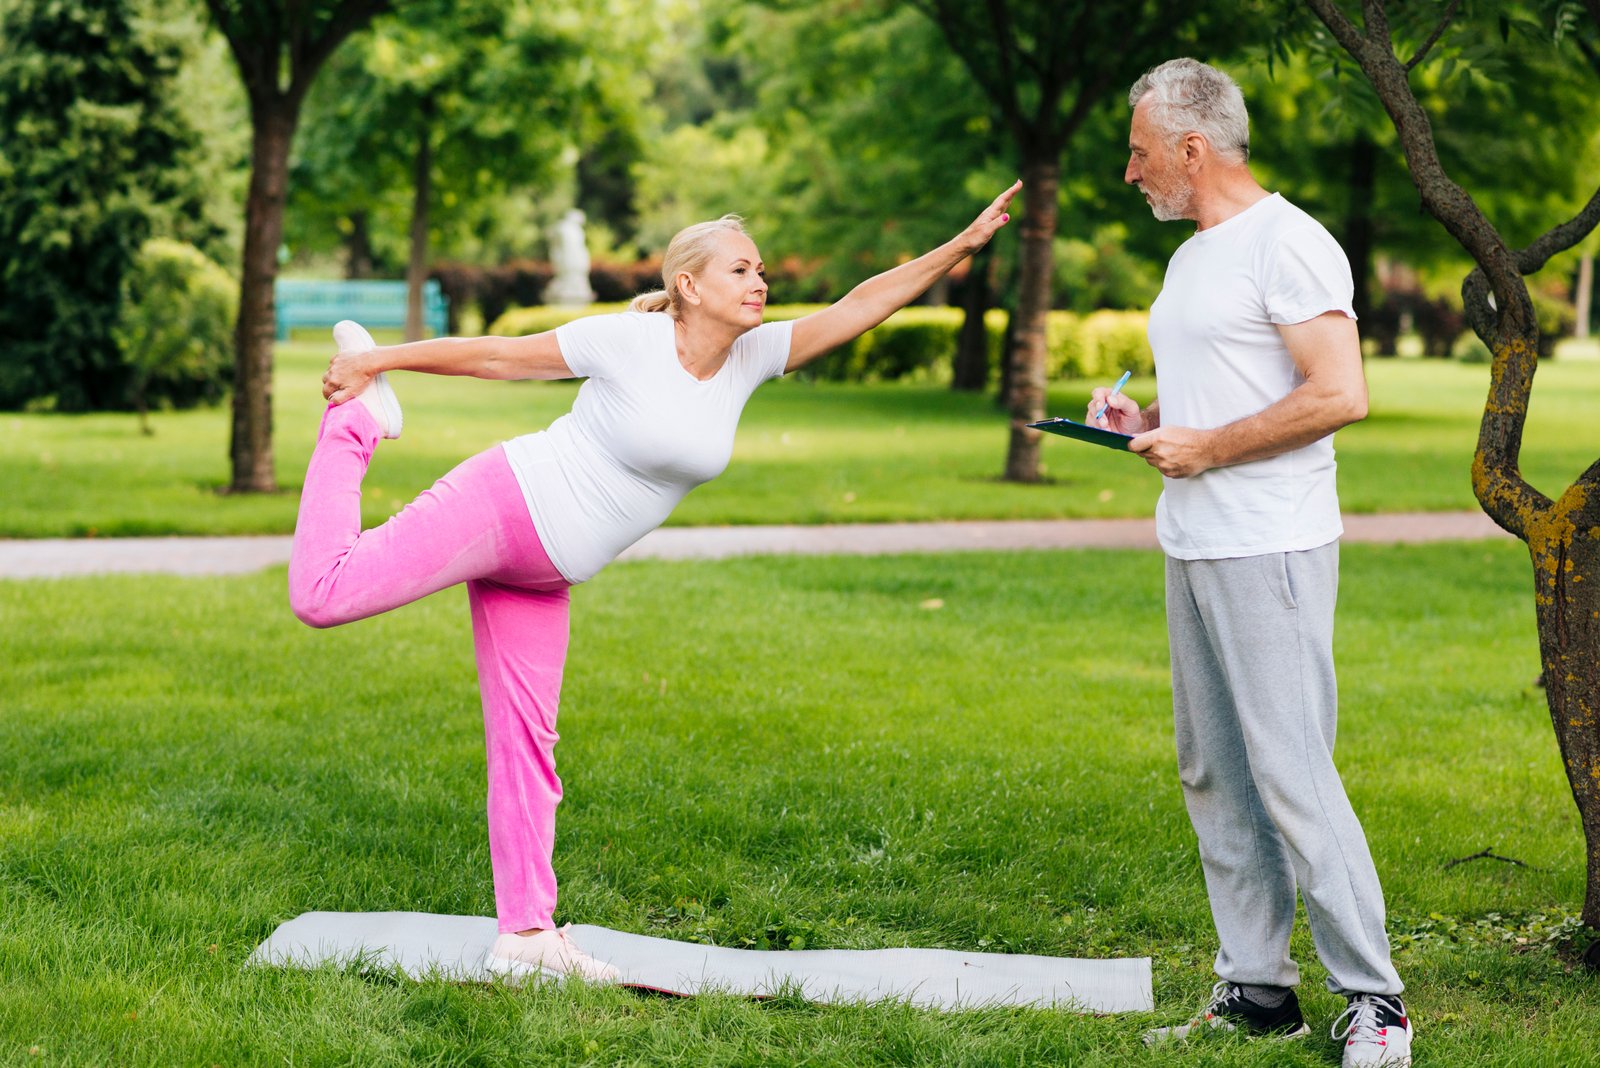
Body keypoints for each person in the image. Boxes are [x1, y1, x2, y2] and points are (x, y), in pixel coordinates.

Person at [288, 182, 1020, 983]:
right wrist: (376, 363)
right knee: (323, 595)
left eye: (762, 270)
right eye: (740, 269)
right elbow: (501, 357)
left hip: (547, 571)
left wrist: (960, 246)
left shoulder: (750, 360)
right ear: (688, 285)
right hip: (507, 503)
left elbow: (859, 304)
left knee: (527, 744)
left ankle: (525, 936)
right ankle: (358, 426)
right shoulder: (629, 343)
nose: (759, 282)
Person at [1090, 59, 1411, 1067]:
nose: (1129, 170)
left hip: (1267, 541)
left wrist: (1207, 448)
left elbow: (1337, 394)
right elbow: (1227, 392)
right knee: (1216, 773)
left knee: (1289, 773)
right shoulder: (1195, 255)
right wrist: (1151, 423)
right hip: (1192, 537)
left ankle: (1376, 1001)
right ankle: (1256, 988)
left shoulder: (1290, 242)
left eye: (1139, 152)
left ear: (1191, 148)